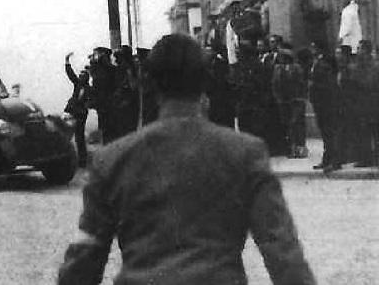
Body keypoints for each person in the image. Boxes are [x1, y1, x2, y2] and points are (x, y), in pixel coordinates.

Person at [57, 34, 316, 285]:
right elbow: (282, 250)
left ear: (150, 83)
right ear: (204, 81)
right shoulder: (246, 153)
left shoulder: (112, 160)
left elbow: (84, 259)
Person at [271, 46, 308, 158]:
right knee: (287, 124)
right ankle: (291, 148)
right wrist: (278, 97)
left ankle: (300, 147)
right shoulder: (277, 69)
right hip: (283, 101)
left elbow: (301, 84)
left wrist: (301, 97)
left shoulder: (296, 68)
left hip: (296, 100)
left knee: (296, 123)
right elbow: (274, 84)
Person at [309, 41, 339, 171]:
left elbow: (328, 83)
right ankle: (327, 159)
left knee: (329, 132)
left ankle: (333, 161)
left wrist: (314, 87)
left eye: (314, 46)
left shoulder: (324, 64)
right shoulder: (318, 62)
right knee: (326, 133)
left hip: (325, 102)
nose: (312, 49)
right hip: (319, 102)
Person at [352, 40, 379, 168]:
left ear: (366, 50)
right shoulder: (359, 65)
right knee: (363, 132)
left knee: (376, 132)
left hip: (373, 102)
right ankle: (366, 159)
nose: (358, 51)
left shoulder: (375, 65)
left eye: (359, 48)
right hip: (362, 102)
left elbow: (376, 83)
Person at [65, 52, 92, 168]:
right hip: (73, 112)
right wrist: (67, 62)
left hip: (80, 114)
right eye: (80, 74)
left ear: (86, 78)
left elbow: (89, 102)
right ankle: (71, 158)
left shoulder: (88, 88)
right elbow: (70, 74)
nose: (80, 76)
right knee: (69, 134)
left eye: (83, 75)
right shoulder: (78, 85)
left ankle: (82, 160)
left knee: (79, 136)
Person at [88, 47, 117, 144]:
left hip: (107, 102)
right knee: (104, 127)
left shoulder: (107, 69)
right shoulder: (100, 69)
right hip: (102, 102)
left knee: (108, 128)